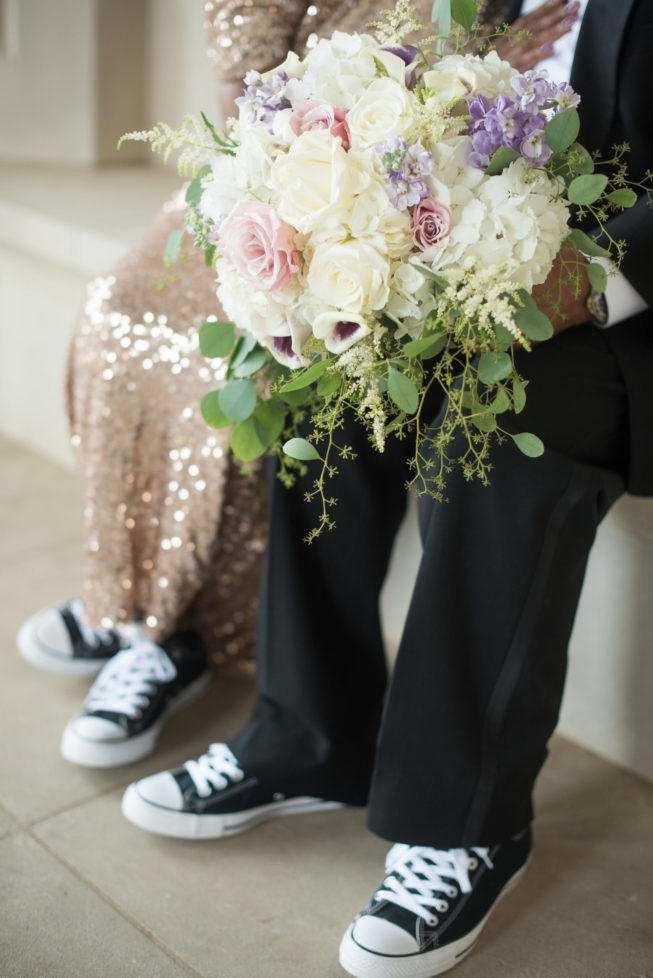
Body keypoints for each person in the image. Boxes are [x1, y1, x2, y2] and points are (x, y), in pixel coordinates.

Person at [115, 1, 652, 976]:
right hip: (480, 257)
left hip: (630, 309)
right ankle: (307, 736)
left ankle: (464, 822)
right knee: (328, 372)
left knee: (500, 421)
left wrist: (593, 278)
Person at [16, 0, 579, 769]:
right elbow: (240, 109)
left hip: (427, 181)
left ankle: (181, 629)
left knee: (272, 353)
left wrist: (475, 74)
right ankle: (142, 603)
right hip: (284, 171)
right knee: (122, 310)